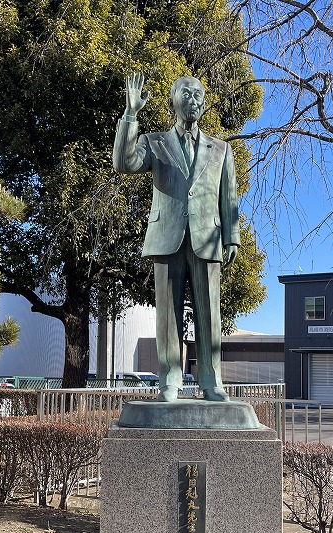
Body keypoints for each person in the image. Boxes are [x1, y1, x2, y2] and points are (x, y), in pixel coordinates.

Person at [113, 72, 240, 402]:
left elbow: (228, 198)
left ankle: (211, 380)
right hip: (166, 235)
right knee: (167, 314)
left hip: (208, 237)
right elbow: (124, 163)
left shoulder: (222, 149)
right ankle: (169, 378)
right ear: (172, 102)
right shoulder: (154, 142)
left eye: (199, 94)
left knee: (209, 313)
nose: (194, 99)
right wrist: (131, 114)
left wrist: (232, 237)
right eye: (186, 93)